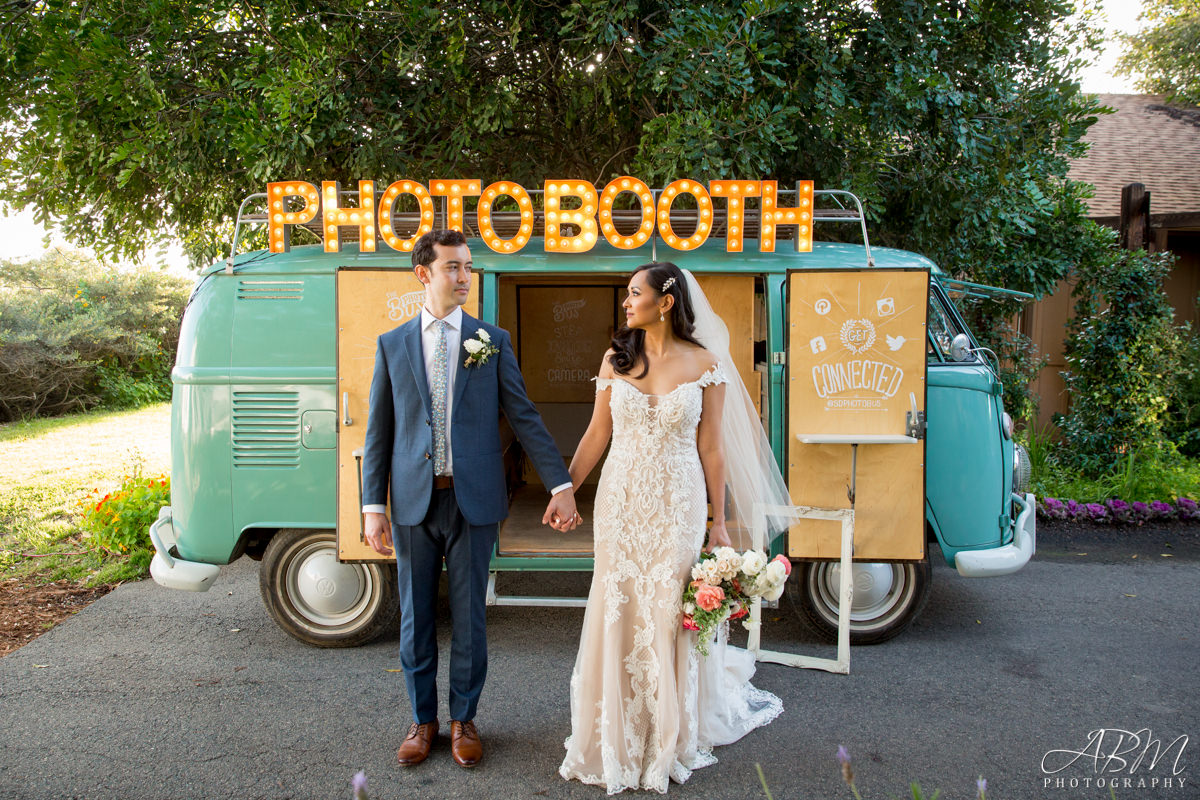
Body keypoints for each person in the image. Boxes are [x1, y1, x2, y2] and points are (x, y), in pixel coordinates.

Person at [559, 261, 792, 793]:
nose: (625, 302)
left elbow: (712, 448)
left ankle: (668, 733)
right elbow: (597, 434)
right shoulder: (615, 360)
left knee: (667, 608)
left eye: (633, 293)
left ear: (664, 302)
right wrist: (566, 488)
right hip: (620, 501)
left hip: (678, 504)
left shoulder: (706, 363)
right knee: (618, 602)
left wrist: (718, 522)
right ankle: (615, 731)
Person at [361, 229, 580, 769]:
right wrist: (372, 507)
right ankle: (422, 721)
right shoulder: (393, 344)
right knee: (414, 618)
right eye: (453, 268)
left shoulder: (491, 340)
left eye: (468, 267)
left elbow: (524, 415)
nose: (464, 277)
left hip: (473, 502)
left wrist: (560, 483)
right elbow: (379, 431)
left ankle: (463, 720)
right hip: (413, 502)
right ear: (424, 274)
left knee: (470, 618)